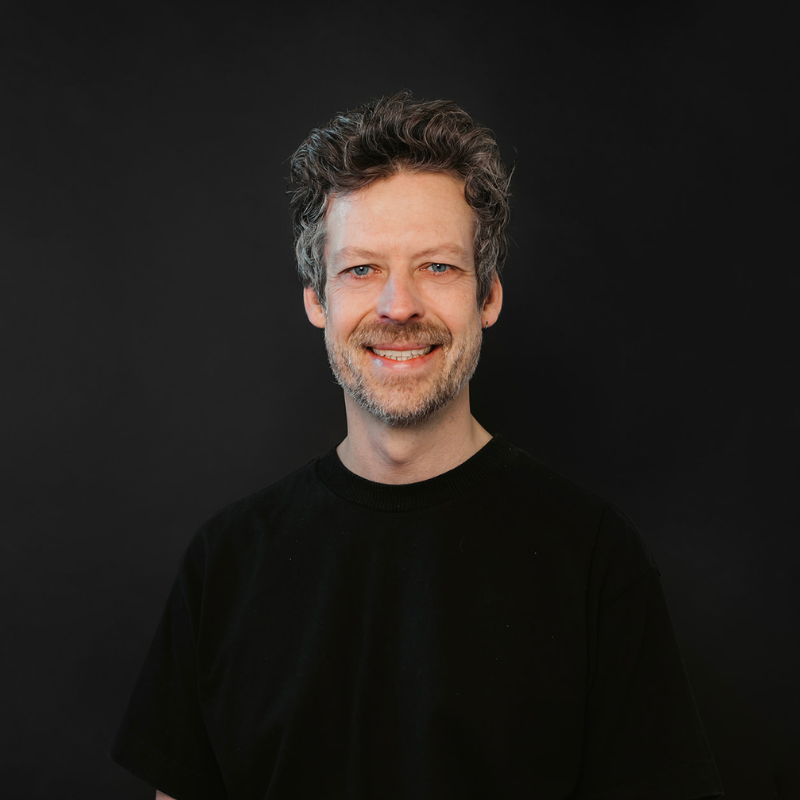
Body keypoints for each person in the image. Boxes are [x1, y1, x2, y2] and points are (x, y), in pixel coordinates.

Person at [111, 91, 724, 799]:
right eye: (361, 269)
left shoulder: (594, 559)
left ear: (487, 296)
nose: (398, 306)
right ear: (316, 299)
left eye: (437, 266)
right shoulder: (225, 563)